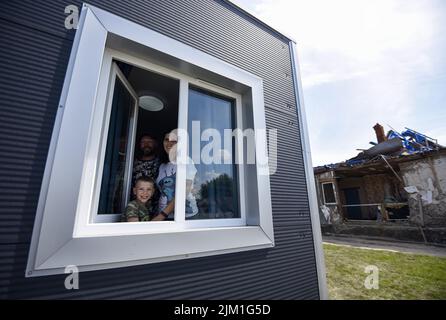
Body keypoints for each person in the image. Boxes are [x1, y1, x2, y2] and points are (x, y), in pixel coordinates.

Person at [152, 130, 198, 221]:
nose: (169, 143)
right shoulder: (162, 166)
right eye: (166, 140)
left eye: (174, 141)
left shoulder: (186, 161)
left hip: (185, 217)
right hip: (164, 216)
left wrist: (161, 215)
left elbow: (184, 191)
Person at [132, 134, 161, 215]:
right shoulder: (131, 162)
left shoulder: (161, 163)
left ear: (155, 143)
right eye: (143, 142)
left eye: (149, 142)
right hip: (136, 208)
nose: (146, 144)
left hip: (157, 209)